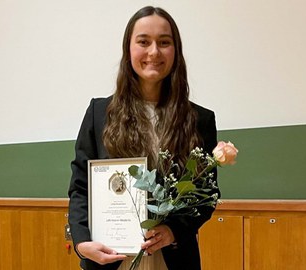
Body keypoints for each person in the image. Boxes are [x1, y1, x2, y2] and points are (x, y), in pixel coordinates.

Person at [68, 6, 220, 270]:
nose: (153, 52)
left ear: (176, 51)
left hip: (172, 259)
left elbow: (205, 195)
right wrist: (82, 244)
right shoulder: (98, 113)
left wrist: (173, 230)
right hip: (110, 259)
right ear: (128, 49)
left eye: (164, 42)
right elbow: (80, 187)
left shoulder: (199, 119)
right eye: (143, 42)